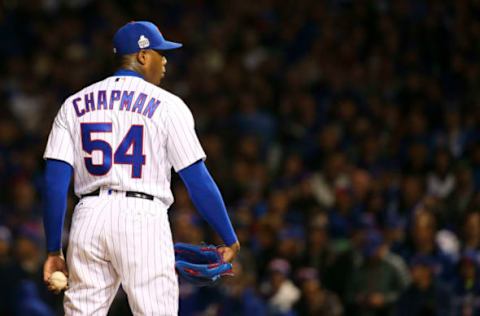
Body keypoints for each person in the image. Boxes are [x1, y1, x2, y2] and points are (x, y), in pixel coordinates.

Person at [41, 21, 240, 315]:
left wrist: (53, 250)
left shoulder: (73, 104)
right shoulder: (168, 105)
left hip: (88, 218)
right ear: (143, 56)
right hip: (142, 215)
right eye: (160, 52)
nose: (165, 60)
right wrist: (228, 236)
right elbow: (196, 178)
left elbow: (54, 183)